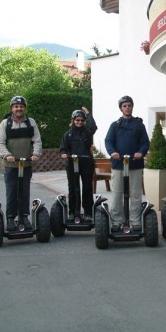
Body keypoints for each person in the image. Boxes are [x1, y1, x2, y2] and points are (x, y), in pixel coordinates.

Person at [0, 96, 42, 231]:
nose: (19, 109)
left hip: (26, 165)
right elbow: (0, 142)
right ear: (12, 108)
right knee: (12, 192)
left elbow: (37, 140)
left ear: (24, 108)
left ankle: (24, 217)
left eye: (21, 106)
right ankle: (11, 218)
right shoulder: (5, 123)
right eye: (16, 106)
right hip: (11, 166)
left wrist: (35, 154)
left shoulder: (31, 122)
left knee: (24, 192)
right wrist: (7, 155)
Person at [105, 95, 150, 231]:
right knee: (117, 192)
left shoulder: (138, 125)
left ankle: (135, 220)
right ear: (121, 108)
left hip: (135, 164)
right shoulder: (115, 125)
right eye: (124, 106)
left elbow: (145, 142)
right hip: (118, 165)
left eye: (129, 105)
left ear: (132, 107)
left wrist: (140, 153)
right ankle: (117, 221)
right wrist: (112, 152)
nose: (127, 108)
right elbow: (108, 141)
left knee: (135, 193)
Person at [60, 107, 97, 223]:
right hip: (72, 163)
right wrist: (64, 154)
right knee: (73, 188)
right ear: (73, 120)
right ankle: (73, 212)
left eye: (81, 120)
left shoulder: (88, 132)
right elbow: (63, 149)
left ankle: (87, 213)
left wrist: (88, 114)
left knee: (87, 187)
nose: (79, 122)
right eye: (77, 120)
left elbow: (93, 126)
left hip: (86, 162)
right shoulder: (68, 134)